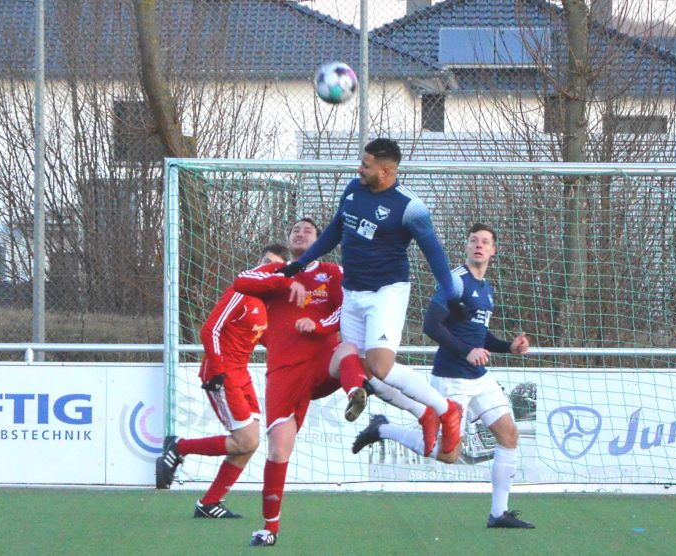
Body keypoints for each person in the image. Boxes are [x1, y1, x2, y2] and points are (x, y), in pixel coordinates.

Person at [275, 138, 463, 456]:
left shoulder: (409, 206)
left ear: (386, 170)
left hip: (386, 292)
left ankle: (447, 409)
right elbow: (336, 229)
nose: (359, 168)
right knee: (367, 376)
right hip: (353, 292)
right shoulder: (353, 188)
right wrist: (298, 264)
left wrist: (451, 292)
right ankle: (424, 413)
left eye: (366, 164)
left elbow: (435, 253)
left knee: (381, 364)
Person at [351, 224, 535, 529]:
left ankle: (498, 513)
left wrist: (508, 347)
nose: (479, 245)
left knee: (509, 435)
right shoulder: (455, 282)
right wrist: (466, 352)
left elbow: (479, 334)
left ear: (493, 251)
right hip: (452, 378)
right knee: (449, 455)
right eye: (474, 240)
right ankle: (383, 429)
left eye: (485, 242)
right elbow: (432, 326)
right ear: (466, 246)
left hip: (479, 376)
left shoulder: (486, 288)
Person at [232, 218, 366, 547]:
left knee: (348, 348)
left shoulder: (332, 273)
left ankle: (356, 391)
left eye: (308, 231)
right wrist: (282, 279)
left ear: (320, 241)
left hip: (322, 364)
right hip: (283, 373)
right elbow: (240, 282)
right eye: (295, 230)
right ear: (287, 240)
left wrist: (319, 326)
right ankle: (269, 528)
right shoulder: (278, 272)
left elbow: (347, 310)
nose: (300, 233)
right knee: (279, 449)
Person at [154, 245, 288, 520]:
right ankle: (178, 447)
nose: (266, 268)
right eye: (264, 262)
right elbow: (210, 329)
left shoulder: (267, 303)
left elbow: (267, 339)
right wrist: (217, 371)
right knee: (245, 439)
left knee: (249, 443)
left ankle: (209, 502)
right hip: (222, 372)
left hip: (241, 373)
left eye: (274, 266)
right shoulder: (242, 291)